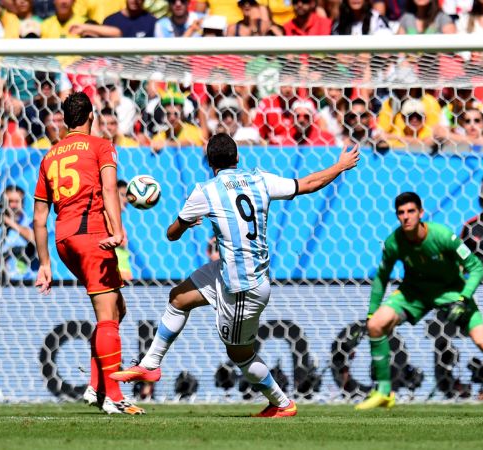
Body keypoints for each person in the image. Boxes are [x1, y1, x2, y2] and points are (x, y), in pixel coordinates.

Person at [110, 133, 360, 417]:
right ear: (238, 157)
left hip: (243, 286)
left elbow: (171, 234)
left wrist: (185, 225)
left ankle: (282, 403)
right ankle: (151, 364)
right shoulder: (260, 179)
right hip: (230, 270)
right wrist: (339, 166)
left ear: (208, 163)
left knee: (239, 354)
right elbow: (308, 184)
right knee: (178, 297)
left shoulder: (205, 191)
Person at [355, 192, 483, 410]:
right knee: (375, 324)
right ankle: (384, 393)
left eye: (410, 211)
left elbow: (476, 267)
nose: (406, 217)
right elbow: (381, 277)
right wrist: (371, 310)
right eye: (401, 213)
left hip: (452, 292)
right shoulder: (394, 242)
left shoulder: (443, 236)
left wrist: (464, 296)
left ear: (421, 213)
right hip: (414, 294)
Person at [33, 92, 145, 415]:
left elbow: (39, 218)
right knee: (107, 316)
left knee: (116, 308)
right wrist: (117, 230)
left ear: (66, 121)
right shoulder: (101, 146)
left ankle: (95, 386)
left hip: (63, 240)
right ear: (91, 116)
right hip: (92, 234)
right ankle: (113, 396)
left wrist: (44, 264)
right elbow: (110, 189)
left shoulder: (50, 156)